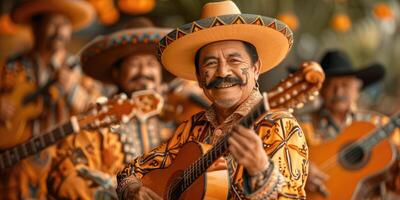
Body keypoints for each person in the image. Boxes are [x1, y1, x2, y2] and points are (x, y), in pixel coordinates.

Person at [116, 1, 309, 199]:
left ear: (256, 68)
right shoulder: (192, 126)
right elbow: (131, 171)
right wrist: (133, 189)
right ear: (199, 78)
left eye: (234, 60)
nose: (223, 71)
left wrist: (263, 172)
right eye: (210, 63)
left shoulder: (280, 126)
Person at [46, 18, 175, 199]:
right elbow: (65, 176)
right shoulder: (98, 121)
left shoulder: (175, 124)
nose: (144, 71)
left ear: (161, 75)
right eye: (134, 63)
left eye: (151, 64)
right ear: (116, 73)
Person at [0, 0, 98, 199]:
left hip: (66, 164)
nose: (59, 31)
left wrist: (72, 90)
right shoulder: (11, 67)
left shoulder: (80, 71)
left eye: (64, 25)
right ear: (36, 27)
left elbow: (96, 112)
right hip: (15, 164)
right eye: (53, 24)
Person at [300, 50, 400, 198]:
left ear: (358, 89)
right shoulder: (300, 124)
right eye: (330, 85)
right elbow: (279, 161)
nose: (338, 91)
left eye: (345, 84)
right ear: (320, 90)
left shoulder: (379, 124)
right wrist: (300, 172)